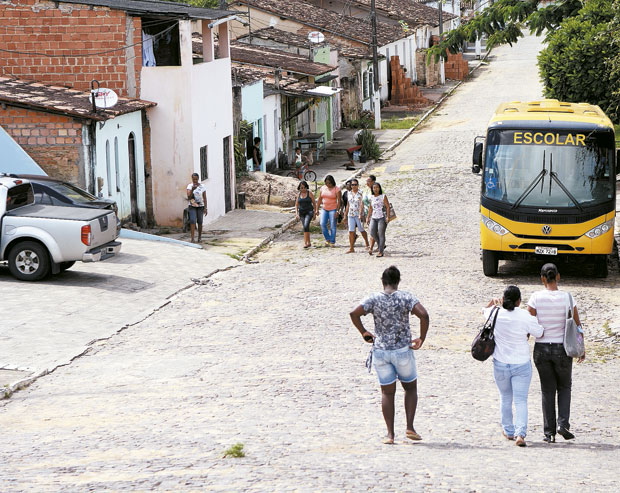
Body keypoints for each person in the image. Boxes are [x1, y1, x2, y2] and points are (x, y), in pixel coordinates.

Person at [350, 265, 429, 444]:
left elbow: (354, 313)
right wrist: (421, 338)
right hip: (402, 350)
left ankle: (390, 434)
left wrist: (364, 332)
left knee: (387, 392)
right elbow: (424, 315)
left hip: (381, 352)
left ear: (383, 281)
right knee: (410, 388)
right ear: (398, 281)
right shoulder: (406, 297)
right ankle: (409, 427)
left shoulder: (373, 299)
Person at [527, 263, 584, 443]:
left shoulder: (535, 298)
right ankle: (563, 425)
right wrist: (582, 347)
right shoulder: (568, 298)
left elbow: (529, 325)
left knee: (547, 390)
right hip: (563, 350)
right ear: (558, 276)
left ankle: (549, 433)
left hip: (542, 350)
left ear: (542, 279)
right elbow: (578, 326)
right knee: (565, 387)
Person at [484, 286, 544, 447]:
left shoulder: (495, 313)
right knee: (521, 400)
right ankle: (520, 434)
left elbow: (484, 310)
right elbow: (539, 332)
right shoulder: (525, 316)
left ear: (503, 299)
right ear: (519, 301)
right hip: (521, 363)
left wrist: (493, 302)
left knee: (505, 397)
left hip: (501, 362)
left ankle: (508, 431)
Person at [344, 179, 369, 253]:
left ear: (358, 185)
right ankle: (351, 247)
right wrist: (345, 215)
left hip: (358, 214)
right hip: (351, 214)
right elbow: (348, 204)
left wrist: (361, 213)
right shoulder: (349, 193)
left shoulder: (361, 193)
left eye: (355, 185)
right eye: (352, 185)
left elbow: (362, 203)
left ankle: (367, 242)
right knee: (351, 231)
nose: (354, 186)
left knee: (361, 229)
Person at [366, 182, 391, 257]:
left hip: (382, 217)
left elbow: (387, 207)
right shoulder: (371, 197)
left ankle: (381, 251)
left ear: (379, 188)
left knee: (381, 233)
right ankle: (381, 244)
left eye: (377, 187)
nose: (375, 189)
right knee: (372, 232)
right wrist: (368, 217)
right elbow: (370, 208)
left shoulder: (383, 196)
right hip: (374, 217)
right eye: (374, 188)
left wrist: (388, 216)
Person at [315, 174, 341, 246]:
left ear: (332, 182)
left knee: (333, 225)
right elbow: (320, 199)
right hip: (324, 208)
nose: (328, 184)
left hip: (333, 209)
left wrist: (338, 211)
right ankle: (327, 239)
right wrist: (317, 209)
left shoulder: (337, 189)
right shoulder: (323, 188)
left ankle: (332, 241)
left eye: (329, 183)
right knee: (322, 223)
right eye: (326, 183)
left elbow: (339, 201)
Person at [186, 172, 207, 243]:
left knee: (200, 222)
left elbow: (204, 197)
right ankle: (192, 238)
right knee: (192, 221)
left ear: (198, 179)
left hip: (200, 206)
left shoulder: (202, 186)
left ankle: (199, 237)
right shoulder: (189, 186)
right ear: (192, 179)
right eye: (193, 179)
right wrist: (192, 189)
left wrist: (205, 208)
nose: (195, 181)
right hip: (192, 206)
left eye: (196, 179)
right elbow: (188, 197)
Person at [295, 180, 317, 249]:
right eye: (301, 188)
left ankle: (305, 242)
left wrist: (315, 212)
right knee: (305, 227)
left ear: (306, 187)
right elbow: (296, 205)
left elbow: (314, 203)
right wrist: (296, 214)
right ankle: (308, 242)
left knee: (306, 224)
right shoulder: (298, 194)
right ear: (299, 188)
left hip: (309, 212)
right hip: (301, 213)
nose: (303, 189)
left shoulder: (309, 193)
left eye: (304, 187)